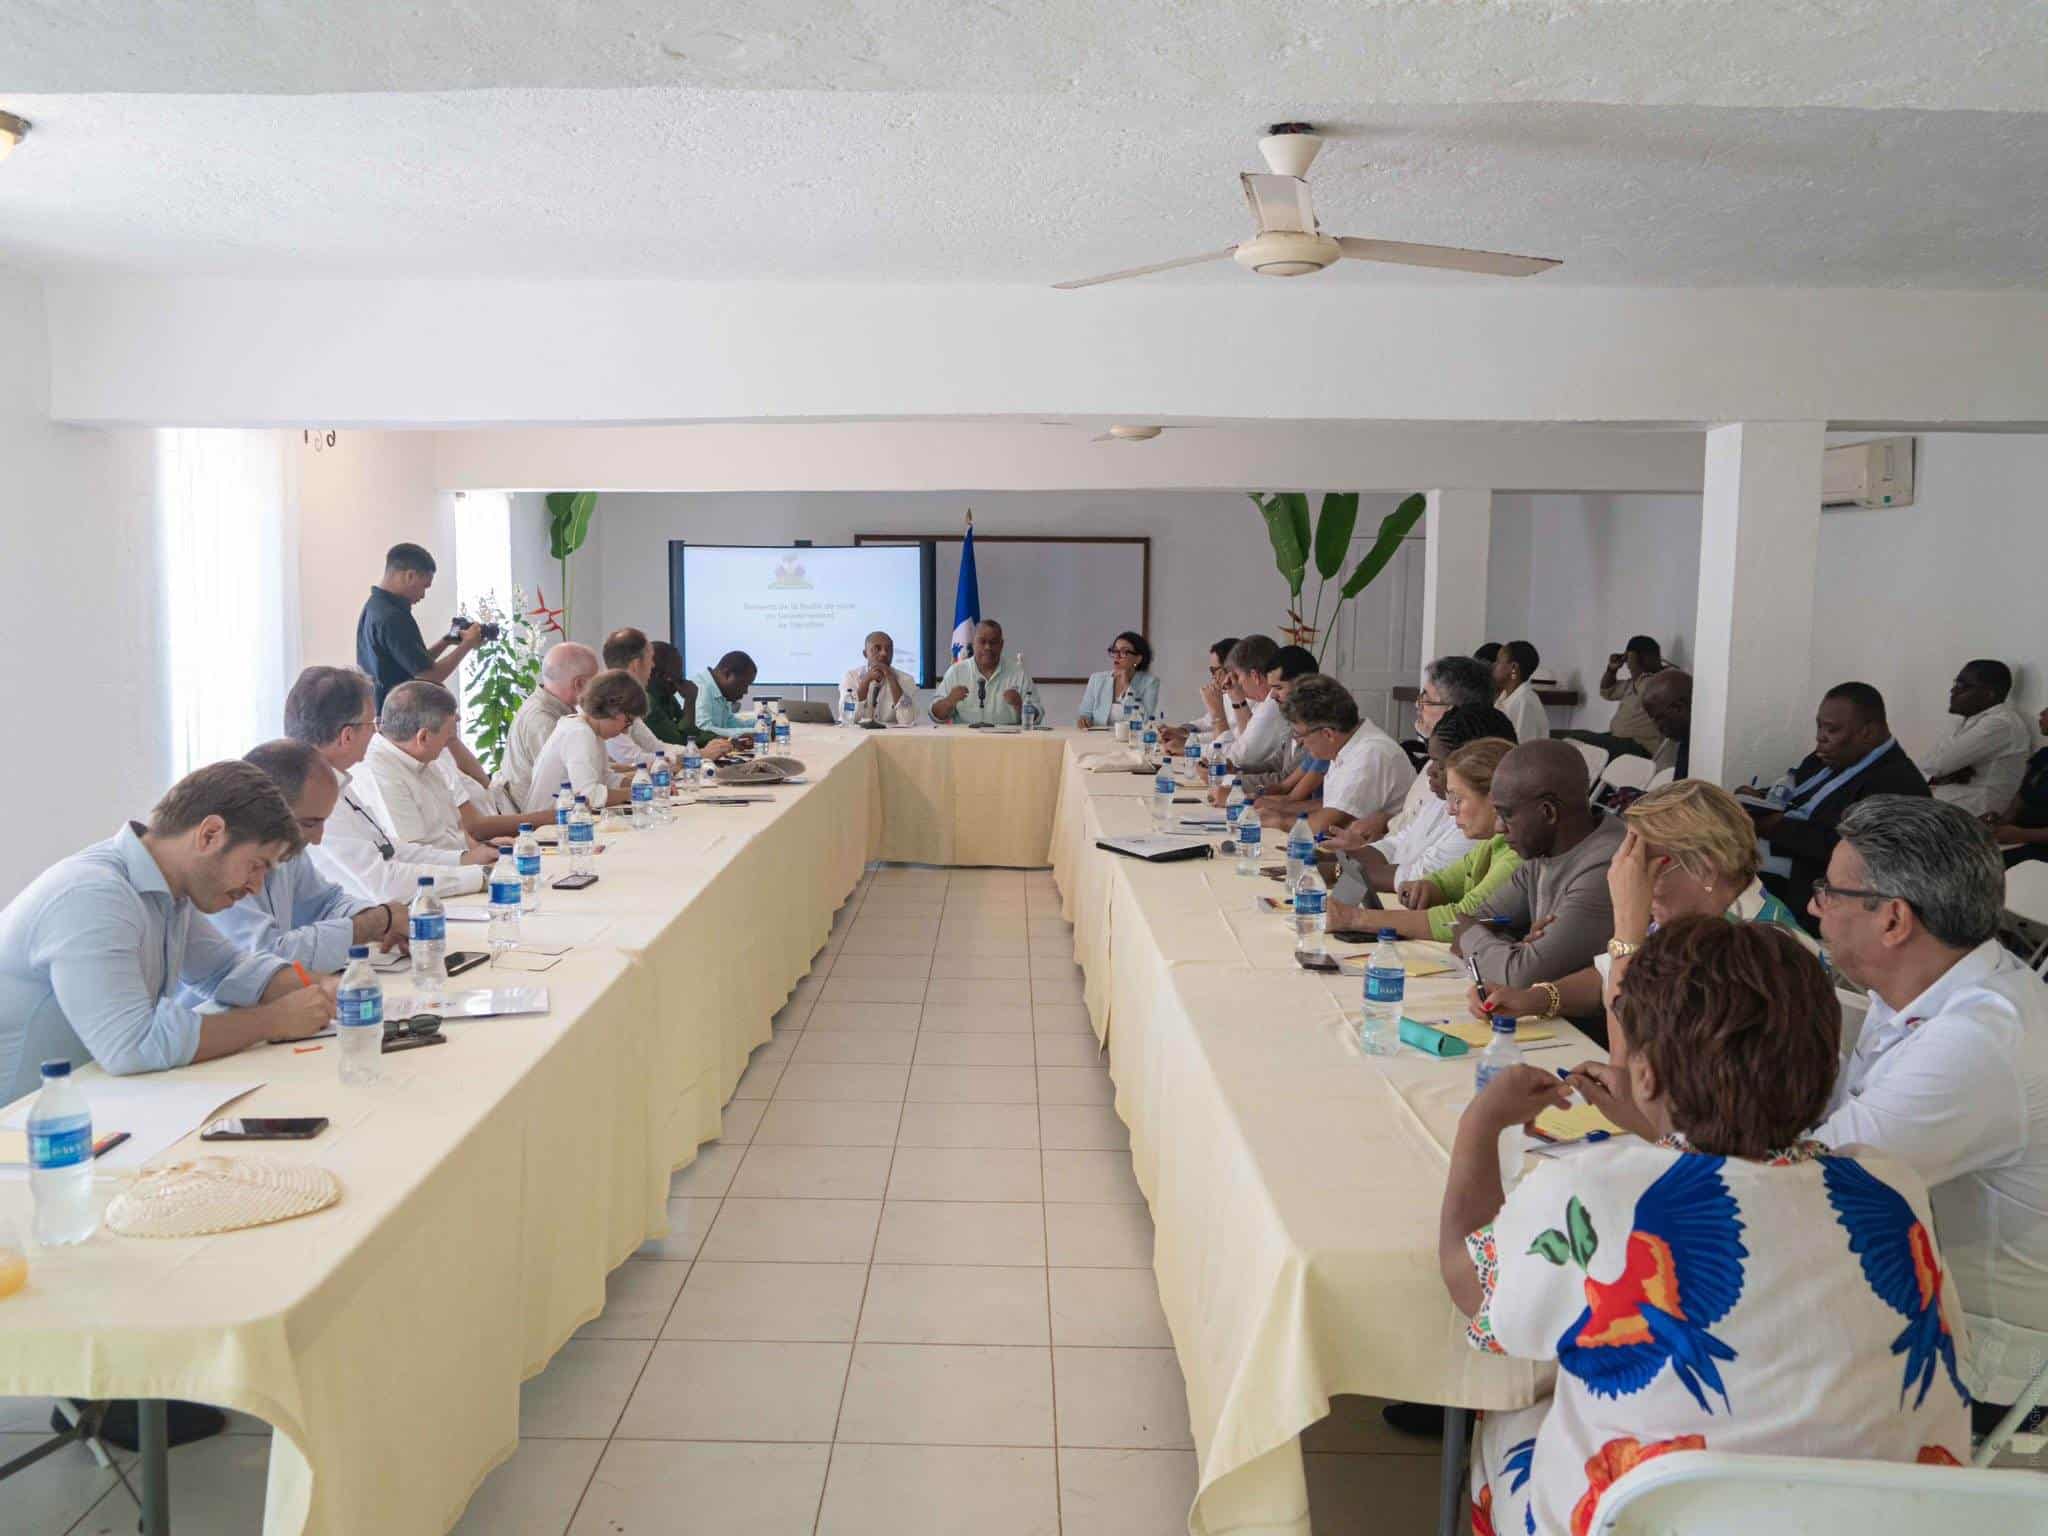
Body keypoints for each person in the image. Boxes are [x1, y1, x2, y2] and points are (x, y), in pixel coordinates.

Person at [1445, 919, 1968, 1536]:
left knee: (1510, 1407)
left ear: (1645, 1074)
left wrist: (1479, 1125)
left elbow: (1472, 1288)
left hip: (1652, 1517)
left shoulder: (1589, 1188)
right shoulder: (1892, 1187)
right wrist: (1658, 1132)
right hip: (1891, 1516)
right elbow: (1740, 1178)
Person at [1804, 797, 2048, 1427]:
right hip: (1907, 1298)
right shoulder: (1934, 985)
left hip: (1978, 1369)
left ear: (1893, 920)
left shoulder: (1976, 1040)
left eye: (1828, 892)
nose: (1813, 907)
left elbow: (1804, 1193)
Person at [0, 761, 339, 1105]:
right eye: (256, 866)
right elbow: (133, 1045)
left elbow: (227, 969)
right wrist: (275, 1020)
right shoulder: (94, 895)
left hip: (81, 1107)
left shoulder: (169, 893)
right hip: (23, 1131)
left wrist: (328, 988)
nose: (255, 887)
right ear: (210, 835)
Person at [1466, 778, 1813, 1028]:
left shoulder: (1767, 951)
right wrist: (1534, 999)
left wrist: (1628, 930)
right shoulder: (1694, 915)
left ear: (1705, 869)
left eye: (1644, 868)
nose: (1635, 885)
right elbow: (1607, 977)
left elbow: (1636, 1041)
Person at [282, 665, 491, 900]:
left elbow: (388, 849)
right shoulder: (310, 797)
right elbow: (384, 885)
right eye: (371, 724)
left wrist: (463, 859)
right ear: (347, 736)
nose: (376, 732)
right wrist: (478, 877)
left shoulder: (335, 781)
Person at [1738, 682, 1930, 925]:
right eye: (1819, 726)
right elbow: (1800, 794)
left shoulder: (1898, 784)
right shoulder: (1832, 757)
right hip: (1780, 857)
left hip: (1816, 888)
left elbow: (1856, 854)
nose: (1820, 737)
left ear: (1867, 733)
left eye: (1832, 729)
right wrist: (1759, 798)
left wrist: (1776, 827)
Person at [212, 740, 410, 972]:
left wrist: (381, 919)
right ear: (267, 809)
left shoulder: (289, 850)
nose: (317, 839)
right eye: (310, 823)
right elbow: (265, 958)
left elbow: (326, 903)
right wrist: (375, 923)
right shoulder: (222, 860)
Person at [1455, 739, 1627, 1005]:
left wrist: (1496, 948)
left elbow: (1520, 977)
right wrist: (1517, 946)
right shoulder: (1542, 851)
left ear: (1547, 812)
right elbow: (1467, 922)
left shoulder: (1606, 865)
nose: (1499, 827)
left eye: (1507, 815)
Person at [1329, 737, 1519, 943]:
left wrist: (1355, 918)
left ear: (1495, 800)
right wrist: (1428, 887)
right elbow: (1448, 879)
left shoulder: (1516, 855)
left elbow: (1463, 920)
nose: (1450, 809)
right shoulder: (1493, 842)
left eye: (1458, 799)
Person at [1326, 704, 1514, 900]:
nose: (1430, 771)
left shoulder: (1479, 827)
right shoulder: (1442, 800)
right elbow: (1399, 843)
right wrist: (1333, 859)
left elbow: (1423, 877)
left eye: (1440, 764)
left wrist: (1338, 870)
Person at [355, 681, 531, 851]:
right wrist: (478, 861)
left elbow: (454, 832)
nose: (448, 743)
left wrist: (485, 848)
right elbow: (414, 854)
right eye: (448, 736)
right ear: (423, 737)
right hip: (432, 874)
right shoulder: (378, 771)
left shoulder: (424, 756)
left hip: (457, 865)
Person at [1266, 675, 1413, 835]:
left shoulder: (1371, 754)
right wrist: (1275, 808)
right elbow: (1333, 804)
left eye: (1300, 734)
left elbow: (1326, 825)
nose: (1301, 742)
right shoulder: (1348, 744)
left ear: (1328, 734)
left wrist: (1276, 821)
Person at [354, 542, 485, 709]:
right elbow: (429, 676)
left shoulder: (374, 606)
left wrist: (447, 641)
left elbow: (414, 664)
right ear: (409, 576)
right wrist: (467, 645)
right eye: (424, 586)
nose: (423, 595)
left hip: (382, 712)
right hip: (398, 718)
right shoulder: (393, 617)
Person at [522, 669, 650, 814]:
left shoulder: (591, 730)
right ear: (612, 709)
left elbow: (605, 778)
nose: (626, 731)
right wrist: (637, 793)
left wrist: (645, 783)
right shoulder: (579, 733)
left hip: (568, 818)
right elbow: (588, 795)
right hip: (548, 825)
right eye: (628, 722)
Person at [1920, 659, 2034, 818]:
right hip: (1945, 803)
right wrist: (1950, 767)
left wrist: (1947, 768)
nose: (1953, 691)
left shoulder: (2000, 724)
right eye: (1955, 684)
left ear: (1989, 694)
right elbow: (1927, 763)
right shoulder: (1968, 719)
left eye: (1962, 686)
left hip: (1971, 813)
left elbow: (1937, 765)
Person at [496, 641, 599, 809]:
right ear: (579, 683)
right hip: (535, 819)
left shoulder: (560, 705)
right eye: (596, 681)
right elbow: (573, 784)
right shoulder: (542, 720)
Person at [1555, 635, 1667, 759]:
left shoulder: (1660, 683)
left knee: (1571, 740)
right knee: (1567, 736)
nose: (1628, 665)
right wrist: (1611, 670)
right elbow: (1607, 691)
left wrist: (1638, 662)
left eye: (1630, 659)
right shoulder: (1633, 683)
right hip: (1615, 740)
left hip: (1639, 747)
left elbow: (1648, 687)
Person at [1239, 647, 1323, 806]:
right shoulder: (1297, 719)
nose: (1271, 695)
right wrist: (1235, 770)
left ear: (1303, 685)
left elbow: (1286, 784)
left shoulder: (1318, 731)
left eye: (1278, 687)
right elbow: (1277, 766)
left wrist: (1233, 783)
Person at [599, 627, 691, 767]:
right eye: (650, 659)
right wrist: (693, 756)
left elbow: (655, 746)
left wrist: (693, 752)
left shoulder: (627, 696)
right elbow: (630, 759)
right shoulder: (608, 700)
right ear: (636, 665)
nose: (653, 665)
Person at [931, 620, 1034, 726]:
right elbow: (935, 715)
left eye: (993, 642)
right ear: (973, 643)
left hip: (1008, 739)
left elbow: (1037, 718)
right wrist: (949, 701)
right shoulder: (956, 672)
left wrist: (1020, 705)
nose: (987, 647)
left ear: (1001, 645)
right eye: (982, 641)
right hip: (965, 739)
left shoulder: (1018, 673)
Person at [1209, 635, 1287, 772]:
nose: (1236, 683)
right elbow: (1244, 738)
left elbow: (1237, 758)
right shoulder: (1265, 702)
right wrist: (1237, 699)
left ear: (1255, 676)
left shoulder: (1273, 704)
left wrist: (1217, 714)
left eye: (1237, 676)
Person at [1985, 704, 2048, 867]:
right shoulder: (2043, 756)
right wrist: (2001, 821)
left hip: (2038, 848)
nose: (2041, 713)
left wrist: (2021, 835)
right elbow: (2022, 795)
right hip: (2020, 837)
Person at [1076, 631, 1160, 728]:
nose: (1117, 656)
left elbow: (1145, 720)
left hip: (1132, 739)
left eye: (1124, 652)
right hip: (1098, 739)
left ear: (1138, 659)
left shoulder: (1150, 682)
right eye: (1115, 651)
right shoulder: (1097, 679)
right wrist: (1084, 720)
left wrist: (1127, 686)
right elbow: (1084, 714)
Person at [842, 631, 921, 727]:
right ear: (865, 654)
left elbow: (908, 720)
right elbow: (847, 717)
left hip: (891, 738)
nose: (884, 653)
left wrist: (891, 678)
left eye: (888, 649)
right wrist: (866, 681)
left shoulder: (906, 680)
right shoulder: (851, 676)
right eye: (877, 648)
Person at [689, 650, 760, 738]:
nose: (746, 691)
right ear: (727, 674)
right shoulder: (701, 687)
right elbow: (704, 730)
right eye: (743, 684)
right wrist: (752, 731)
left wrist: (759, 722)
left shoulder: (722, 691)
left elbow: (730, 723)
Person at [1492, 640, 1550, 746]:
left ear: (1513, 667)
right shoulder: (1504, 696)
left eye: (1498, 661)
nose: (1494, 665)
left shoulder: (1525, 700)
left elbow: (1522, 748)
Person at [1640, 667, 1693, 777]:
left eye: (1659, 718)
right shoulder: (1686, 743)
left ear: (1678, 708)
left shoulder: (1704, 747)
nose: (1657, 726)